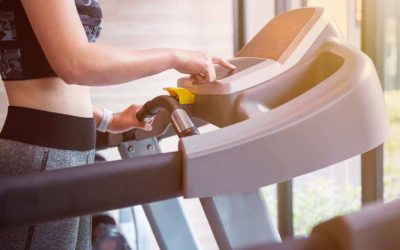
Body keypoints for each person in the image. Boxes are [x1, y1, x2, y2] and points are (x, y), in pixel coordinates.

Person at [0, 0, 235, 249]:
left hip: (63, 153)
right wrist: (174, 57)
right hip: (43, 154)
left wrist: (108, 119)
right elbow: (75, 63)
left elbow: (40, 71)